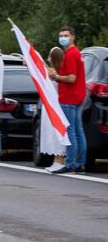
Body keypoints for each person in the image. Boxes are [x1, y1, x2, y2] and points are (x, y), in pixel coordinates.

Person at [49, 26, 87, 174]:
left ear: (72, 37)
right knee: (78, 131)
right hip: (77, 96)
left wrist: (56, 77)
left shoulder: (71, 54)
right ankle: (80, 164)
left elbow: (71, 78)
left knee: (70, 131)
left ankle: (70, 163)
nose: (62, 38)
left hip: (69, 97)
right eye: (61, 35)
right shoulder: (77, 53)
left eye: (66, 35)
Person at [42, 47, 67, 172]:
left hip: (56, 105)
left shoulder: (57, 73)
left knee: (58, 132)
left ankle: (60, 158)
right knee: (51, 133)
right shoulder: (52, 71)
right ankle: (56, 159)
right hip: (50, 105)